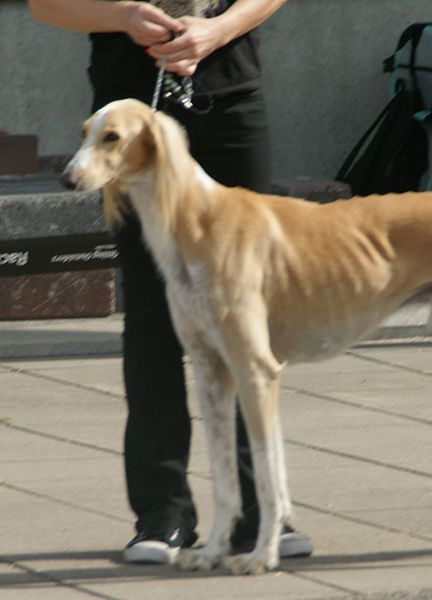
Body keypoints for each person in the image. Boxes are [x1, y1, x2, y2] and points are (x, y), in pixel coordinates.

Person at [28, 0, 313, 564]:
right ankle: (163, 515)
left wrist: (221, 28)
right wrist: (125, 16)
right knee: (153, 320)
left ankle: (261, 514)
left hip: (229, 99)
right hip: (130, 122)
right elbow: (44, 3)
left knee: (249, 326)